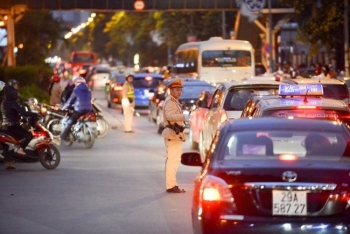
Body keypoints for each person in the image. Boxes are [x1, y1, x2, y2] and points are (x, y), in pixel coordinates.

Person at [1, 79, 38, 169]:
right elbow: (22, 112)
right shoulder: (12, 103)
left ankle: (10, 163)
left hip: (5, 126)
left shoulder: (4, 103)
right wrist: (35, 114)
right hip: (13, 126)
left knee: (13, 143)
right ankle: (20, 150)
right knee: (28, 135)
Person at [161, 78, 189, 193]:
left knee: (174, 160)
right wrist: (183, 116)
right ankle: (171, 186)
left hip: (175, 134)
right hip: (172, 134)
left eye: (180, 90)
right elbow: (170, 116)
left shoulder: (173, 101)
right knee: (173, 160)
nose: (179, 92)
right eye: (177, 90)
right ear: (171, 90)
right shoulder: (170, 102)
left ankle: (173, 184)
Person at [60, 77, 92, 142]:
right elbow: (89, 99)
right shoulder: (88, 90)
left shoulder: (76, 90)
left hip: (79, 110)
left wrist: (65, 107)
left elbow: (70, 101)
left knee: (69, 122)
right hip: (88, 110)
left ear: (77, 83)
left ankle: (63, 136)